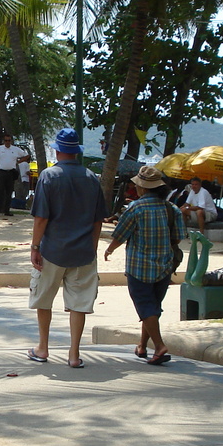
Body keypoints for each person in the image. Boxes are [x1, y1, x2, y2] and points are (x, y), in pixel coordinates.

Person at [26, 128, 107, 369]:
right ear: (76, 152)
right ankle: (74, 354)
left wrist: (34, 246)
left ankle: (42, 348)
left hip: (53, 249)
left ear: (57, 150)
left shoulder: (49, 176)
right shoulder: (92, 178)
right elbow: (97, 221)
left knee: (43, 298)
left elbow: (41, 218)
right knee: (79, 303)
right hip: (83, 251)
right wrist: (91, 247)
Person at [103, 165, 185, 366]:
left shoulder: (135, 208)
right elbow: (178, 238)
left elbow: (120, 235)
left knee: (145, 307)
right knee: (152, 308)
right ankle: (142, 345)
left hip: (139, 268)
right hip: (164, 266)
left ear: (143, 188)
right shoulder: (171, 209)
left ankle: (159, 346)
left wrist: (109, 250)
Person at [0, 132, 30, 217]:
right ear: (3, 141)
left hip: (11, 172)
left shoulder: (15, 149)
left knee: (9, 192)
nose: (7, 142)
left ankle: (7, 210)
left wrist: (19, 162)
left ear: (11, 141)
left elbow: (26, 155)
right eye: (6, 140)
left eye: (9, 140)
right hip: (1, 171)